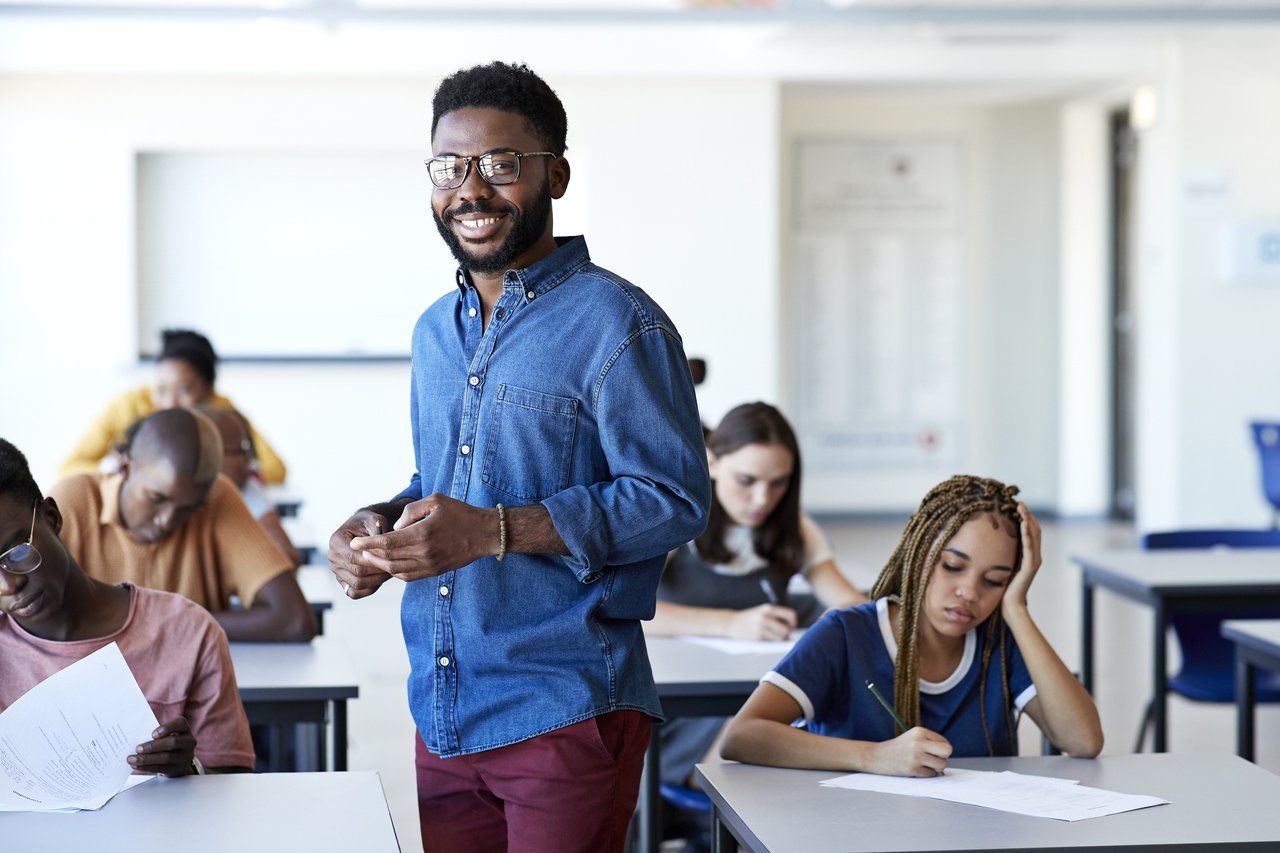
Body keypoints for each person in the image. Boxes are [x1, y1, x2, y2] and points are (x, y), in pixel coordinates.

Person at [326, 62, 710, 853]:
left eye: (502, 164)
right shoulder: (435, 330)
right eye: (451, 167)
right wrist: (381, 522)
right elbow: (445, 486)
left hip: (565, 705)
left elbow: (674, 499)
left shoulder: (621, 323)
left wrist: (494, 530)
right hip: (446, 704)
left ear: (556, 174)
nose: (472, 189)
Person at [721, 475, 1103, 777]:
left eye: (995, 580)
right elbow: (742, 736)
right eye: (952, 567)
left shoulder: (999, 640)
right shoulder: (845, 635)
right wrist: (874, 757)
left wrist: (1017, 608)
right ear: (919, 556)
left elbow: (1083, 741)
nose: (969, 592)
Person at [648, 402, 866, 803]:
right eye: (746, 480)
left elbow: (849, 606)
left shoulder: (794, 529)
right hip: (681, 714)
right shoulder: (675, 518)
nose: (762, 499)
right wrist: (730, 623)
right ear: (711, 463)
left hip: (756, 699)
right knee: (763, 747)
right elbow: (634, 614)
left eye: (778, 483)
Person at [0, 438, 254, 775]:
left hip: (166, 828)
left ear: (52, 518)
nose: (8, 585)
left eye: (18, 552)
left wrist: (190, 773)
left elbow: (234, 788)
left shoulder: (187, 632)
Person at [50, 408, 316, 643]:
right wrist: (181, 623)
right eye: (157, 498)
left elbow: (294, 620)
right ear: (125, 467)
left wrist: (165, 623)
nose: (167, 521)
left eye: (188, 508)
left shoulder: (217, 497)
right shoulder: (75, 500)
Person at [60, 329, 287, 484]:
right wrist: (121, 472)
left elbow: (276, 469)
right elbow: (70, 467)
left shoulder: (220, 412)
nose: (169, 402)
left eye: (184, 389)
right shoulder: (128, 405)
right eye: (160, 389)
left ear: (208, 390)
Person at [199, 405, 302, 568]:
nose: (249, 460)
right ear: (209, 456)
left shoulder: (247, 489)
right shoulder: (175, 501)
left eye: (247, 449)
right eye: (239, 451)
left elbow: (288, 557)